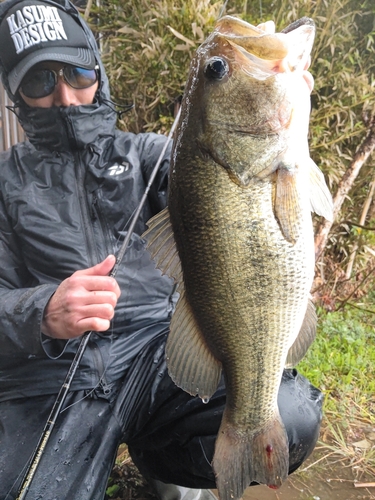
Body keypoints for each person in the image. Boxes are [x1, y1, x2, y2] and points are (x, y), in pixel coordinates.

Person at [0, 0, 324, 499]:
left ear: (99, 71)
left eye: (78, 71)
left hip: (161, 356)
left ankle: (160, 453)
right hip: (57, 375)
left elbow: (247, 190)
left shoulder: (156, 156)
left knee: (293, 414)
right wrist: (40, 311)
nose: (65, 95)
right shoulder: (4, 183)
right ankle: (125, 445)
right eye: (40, 82)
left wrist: (286, 106)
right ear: (15, 94)